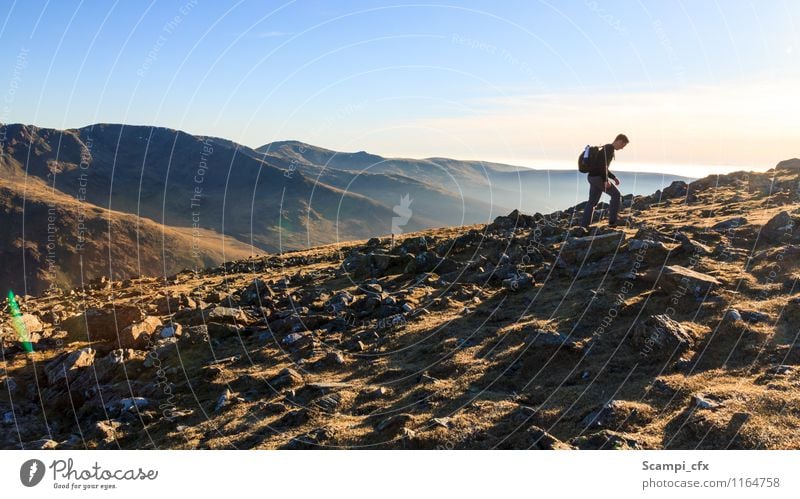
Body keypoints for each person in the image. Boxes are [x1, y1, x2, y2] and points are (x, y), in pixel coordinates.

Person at [580, 133, 629, 228]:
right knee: (616, 195)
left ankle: (584, 226)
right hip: (598, 178)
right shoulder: (609, 149)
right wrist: (605, 180)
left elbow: (602, 166)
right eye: (623, 145)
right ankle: (612, 222)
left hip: (592, 177)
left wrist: (613, 177)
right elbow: (603, 166)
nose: (622, 148)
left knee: (592, 202)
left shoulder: (606, 148)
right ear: (619, 141)